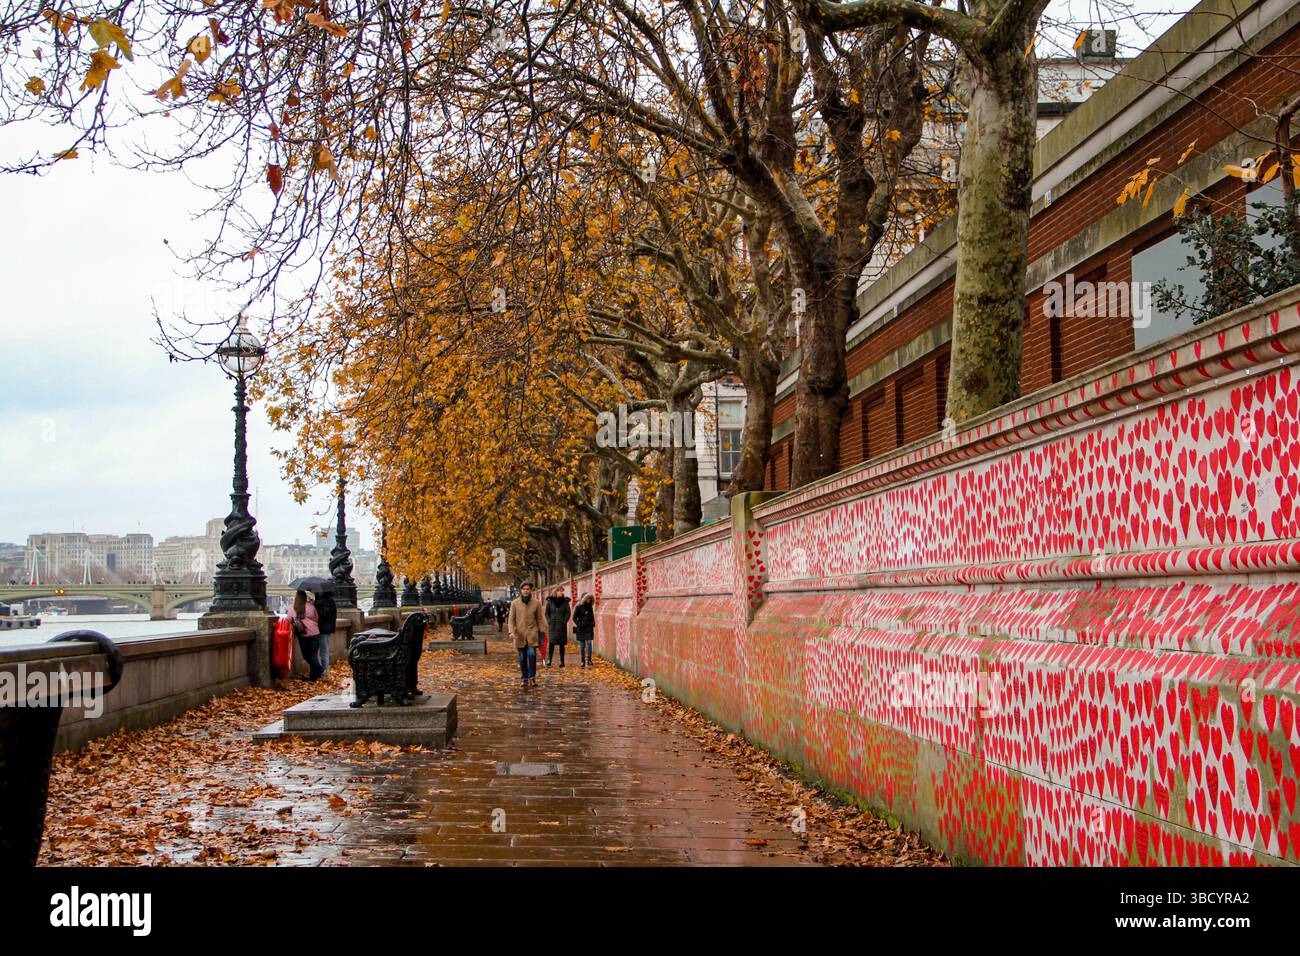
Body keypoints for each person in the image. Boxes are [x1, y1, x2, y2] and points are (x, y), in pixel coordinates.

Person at [508, 582, 546, 688]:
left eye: (528, 589)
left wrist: (542, 631)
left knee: (532, 655)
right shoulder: (515, 603)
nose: (526, 591)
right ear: (521, 590)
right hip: (519, 635)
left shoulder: (536, 603)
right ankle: (524, 678)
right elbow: (511, 619)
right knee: (522, 658)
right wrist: (511, 631)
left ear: (531, 590)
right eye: (524, 589)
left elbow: (539, 618)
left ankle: (532, 677)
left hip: (532, 634)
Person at [288, 589, 323, 681]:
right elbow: (316, 618)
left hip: (302, 635)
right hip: (314, 633)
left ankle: (315, 674)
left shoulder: (292, 608)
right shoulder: (311, 606)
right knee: (313, 655)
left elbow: (289, 620)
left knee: (307, 656)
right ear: (305, 597)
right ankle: (316, 673)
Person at [545, 587, 571, 667]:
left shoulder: (565, 602)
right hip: (552, 625)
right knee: (551, 643)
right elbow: (546, 613)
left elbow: (568, 613)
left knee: (561, 644)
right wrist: (549, 621)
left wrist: (564, 621)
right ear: (556, 592)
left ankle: (562, 661)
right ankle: (549, 659)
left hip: (561, 626)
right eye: (560, 591)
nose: (561, 593)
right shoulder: (550, 602)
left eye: (562, 591)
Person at [315, 590, 338, 672]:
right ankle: (323, 670)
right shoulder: (331, 602)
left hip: (322, 629)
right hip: (327, 629)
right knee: (323, 651)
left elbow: (324, 615)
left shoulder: (324, 602)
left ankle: (324, 671)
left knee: (322, 652)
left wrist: (316, 606)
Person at [573, 593, 595, 668]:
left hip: (589, 628)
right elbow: (574, 617)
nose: (588, 600)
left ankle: (589, 659)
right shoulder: (578, 607)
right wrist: (579, 624)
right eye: (587, 598)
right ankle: (582, 661)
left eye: (589, 599)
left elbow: (592, 617)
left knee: (589, 643)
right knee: (582, 645)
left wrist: (592, 624)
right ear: (584, 599)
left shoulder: (590, 607)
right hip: (581, 629)